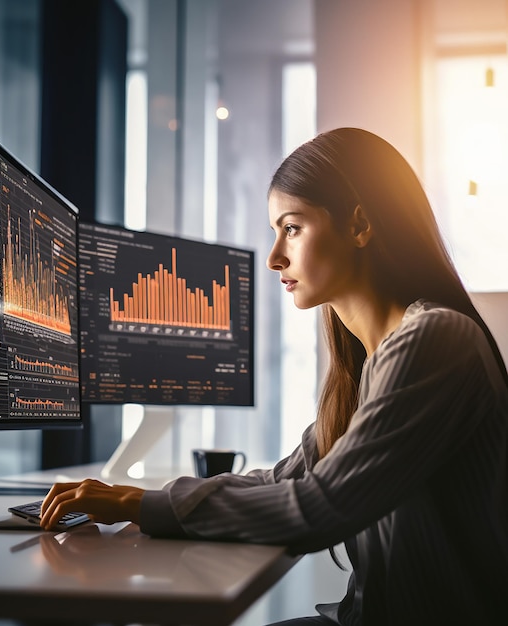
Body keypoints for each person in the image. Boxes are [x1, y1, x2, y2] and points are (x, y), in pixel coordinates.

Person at [40, 128, 508, 624]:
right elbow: (287, 478)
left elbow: (318, 507)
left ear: (360, 224)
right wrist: (139, 501)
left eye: (293, 227)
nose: (273, 257)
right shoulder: (372, 363)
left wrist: (141, 505)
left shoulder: (434, 339)